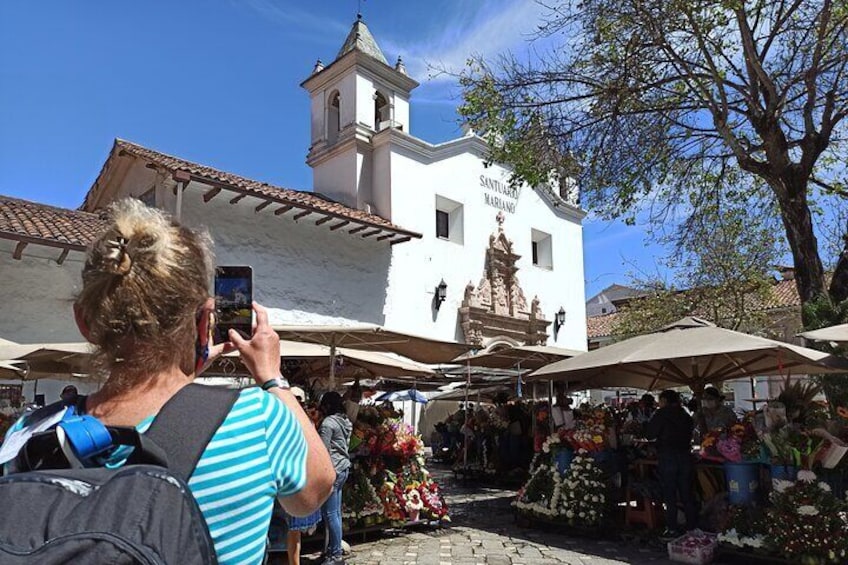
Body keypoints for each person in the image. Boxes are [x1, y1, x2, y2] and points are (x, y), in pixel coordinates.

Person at [3, 200, 335, 564]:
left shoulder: (30, 435)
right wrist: (273, 378)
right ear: (205, 319)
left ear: (85, 321)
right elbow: (313, 493)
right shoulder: (256, 419)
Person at [645, 389, 698, 536]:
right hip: (685, 456)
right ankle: (692, 527)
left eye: (660, 400)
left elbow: (650, 434)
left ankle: (672, 528)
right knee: (686, 494)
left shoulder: (661, 414)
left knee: (670, 494)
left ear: (665, 401)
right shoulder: (685, 415)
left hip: (668, 456)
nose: (659, 403)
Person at [281, 386, 324, 565]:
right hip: (298, 475)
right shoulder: (307, 421)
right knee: (293, 529)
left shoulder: (288, 419)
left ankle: (294, 561)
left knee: (293, 529)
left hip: (292, 475)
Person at [318, 391, 352, 565]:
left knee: (330, 514)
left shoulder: (328, 423)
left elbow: (322, 450)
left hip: (332, 470)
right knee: (335, 513)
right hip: (343, 467)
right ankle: (333, 550)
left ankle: (335, 555)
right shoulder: (345, 421)